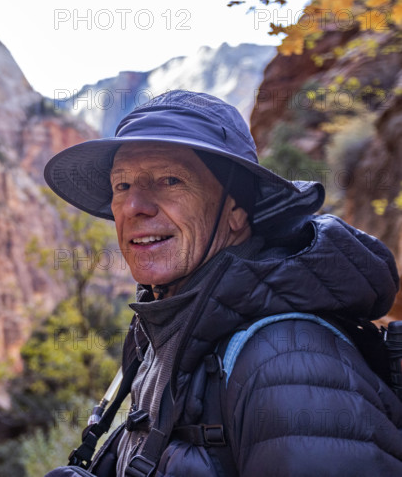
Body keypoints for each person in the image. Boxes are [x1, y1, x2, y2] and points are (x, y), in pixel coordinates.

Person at [43, 90, 402, 476]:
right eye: (122, 186)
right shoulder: (169, 329)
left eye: (169, 179)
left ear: (235, 212)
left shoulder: (288, 361)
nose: (134, 207)